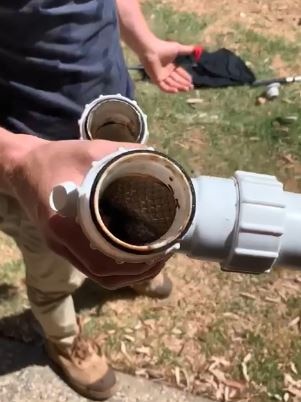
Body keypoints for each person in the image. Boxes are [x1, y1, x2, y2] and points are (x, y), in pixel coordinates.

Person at [0, 0, 194, 400]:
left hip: (114, 119)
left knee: (129, 217)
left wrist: (144, 42)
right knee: (58, 270)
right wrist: (19, 161)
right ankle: (63, 339)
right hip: (36, 165)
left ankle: (130, 265)